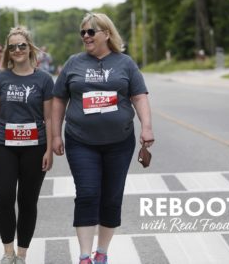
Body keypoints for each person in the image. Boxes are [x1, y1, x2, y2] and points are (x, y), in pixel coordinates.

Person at [52, 13, 154, 264]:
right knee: (87, 193)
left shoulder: (125, 63)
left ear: (106, 34)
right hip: (80, 141)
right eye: (83, 32)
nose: (85, 36)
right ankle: (85, 256)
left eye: (91, 32)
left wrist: (147, 127)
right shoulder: (73, 63)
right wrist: (55, 134)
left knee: (111, 196)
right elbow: (59, 99)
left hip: (119, 143)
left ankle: (102, 253)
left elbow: (139, 96)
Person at [0, 26, 54, 264]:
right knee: (3, 198)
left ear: (30, 47)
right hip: (4, 146)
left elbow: (50, 117)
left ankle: (21, 255)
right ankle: (8, 252)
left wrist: (49, 149)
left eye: (22, 45)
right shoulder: (0, 79)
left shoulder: (43, 79)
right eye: (12, 46)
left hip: (35, 146)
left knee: (27, 201)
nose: (17, 50)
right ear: (8, 51)